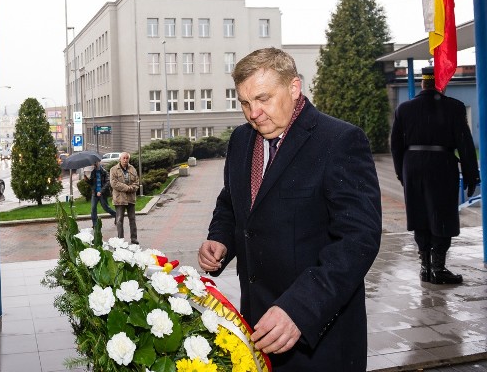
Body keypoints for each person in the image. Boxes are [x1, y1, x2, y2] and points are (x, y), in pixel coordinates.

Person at [197, 47, 382, 372]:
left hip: (319, 335)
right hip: (258, 324)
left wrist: (302, 308)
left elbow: (358, 240)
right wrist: (220, 238)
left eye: (263, 99)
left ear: (294, 89)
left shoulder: (340, 140)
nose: (254, 113)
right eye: (244, 103)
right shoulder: (241, 140)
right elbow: (233, 200)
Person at [390, 65, 479, 285]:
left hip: (413, 167)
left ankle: (425, 267)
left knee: (419, 215)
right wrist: (471, 176)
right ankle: (438, 268)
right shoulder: (454, 108)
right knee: (442, 216)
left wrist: (402, 173)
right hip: (441, 166)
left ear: (422, 82)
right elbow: (465, 145)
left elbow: (395, 146)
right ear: (441, 83)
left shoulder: (404, 109)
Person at [109, 152, 140, 244]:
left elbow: (136, 182)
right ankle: (120, 239)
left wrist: (132, 188)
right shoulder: (113, 169)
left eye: (127, 158)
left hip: (131, 198)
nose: (125, 160)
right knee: (119, 220)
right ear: (120, 159)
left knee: (132, 219)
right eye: (124, 158)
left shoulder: (133, 169)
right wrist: (127, 188)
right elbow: (114, 183)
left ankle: (134, 238)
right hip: (119, 199)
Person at [84, 160, 116, 228]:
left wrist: (101, 191)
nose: (95, 164)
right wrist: (87, 180)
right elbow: (92, 183)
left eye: (96, 162)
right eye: (94, 163)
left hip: (102, 194)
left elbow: (108, 182)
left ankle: (116, 215)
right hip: (94, 193)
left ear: (99, 163)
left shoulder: (104, 172)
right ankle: (95, 224)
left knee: (106, 208)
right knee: (93, 208)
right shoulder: (93, 172)